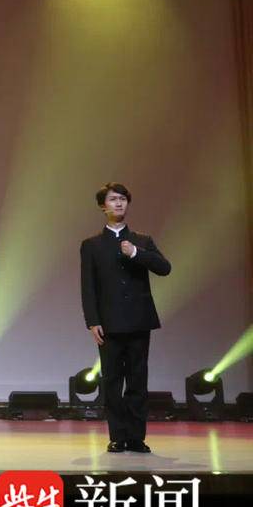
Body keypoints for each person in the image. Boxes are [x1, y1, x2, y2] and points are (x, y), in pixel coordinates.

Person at [80, 182, 171, 454]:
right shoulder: (92, 245)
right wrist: (92, 321)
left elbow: (164, 268)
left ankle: (136, 437)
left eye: (122, 199)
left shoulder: (142, 240)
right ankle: (117, 436)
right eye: (112, 199)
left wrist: (136, 253)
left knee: (137, 380)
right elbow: (88, 286)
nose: (118, 203)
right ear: (103, 206)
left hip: (139, 321)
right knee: (112, 381)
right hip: (108, 323)